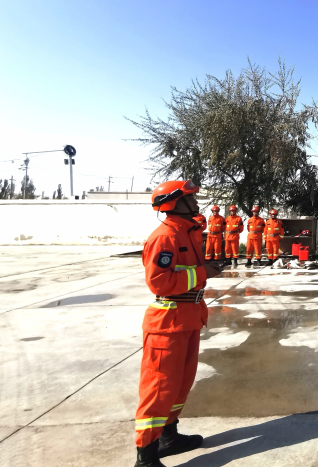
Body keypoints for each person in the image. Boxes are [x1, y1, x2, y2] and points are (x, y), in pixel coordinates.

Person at [134, 180, 222, 467]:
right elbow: (159, 282)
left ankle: (169, 438)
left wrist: (205, 271)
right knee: (158, 389)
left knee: (180, 385)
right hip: (167, 324)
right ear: (174, 203)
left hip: (187, 318)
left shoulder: (188, 232)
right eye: (190, 198)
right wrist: (203, 272)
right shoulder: (165, 237)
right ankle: (146, 457)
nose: (196, 202)